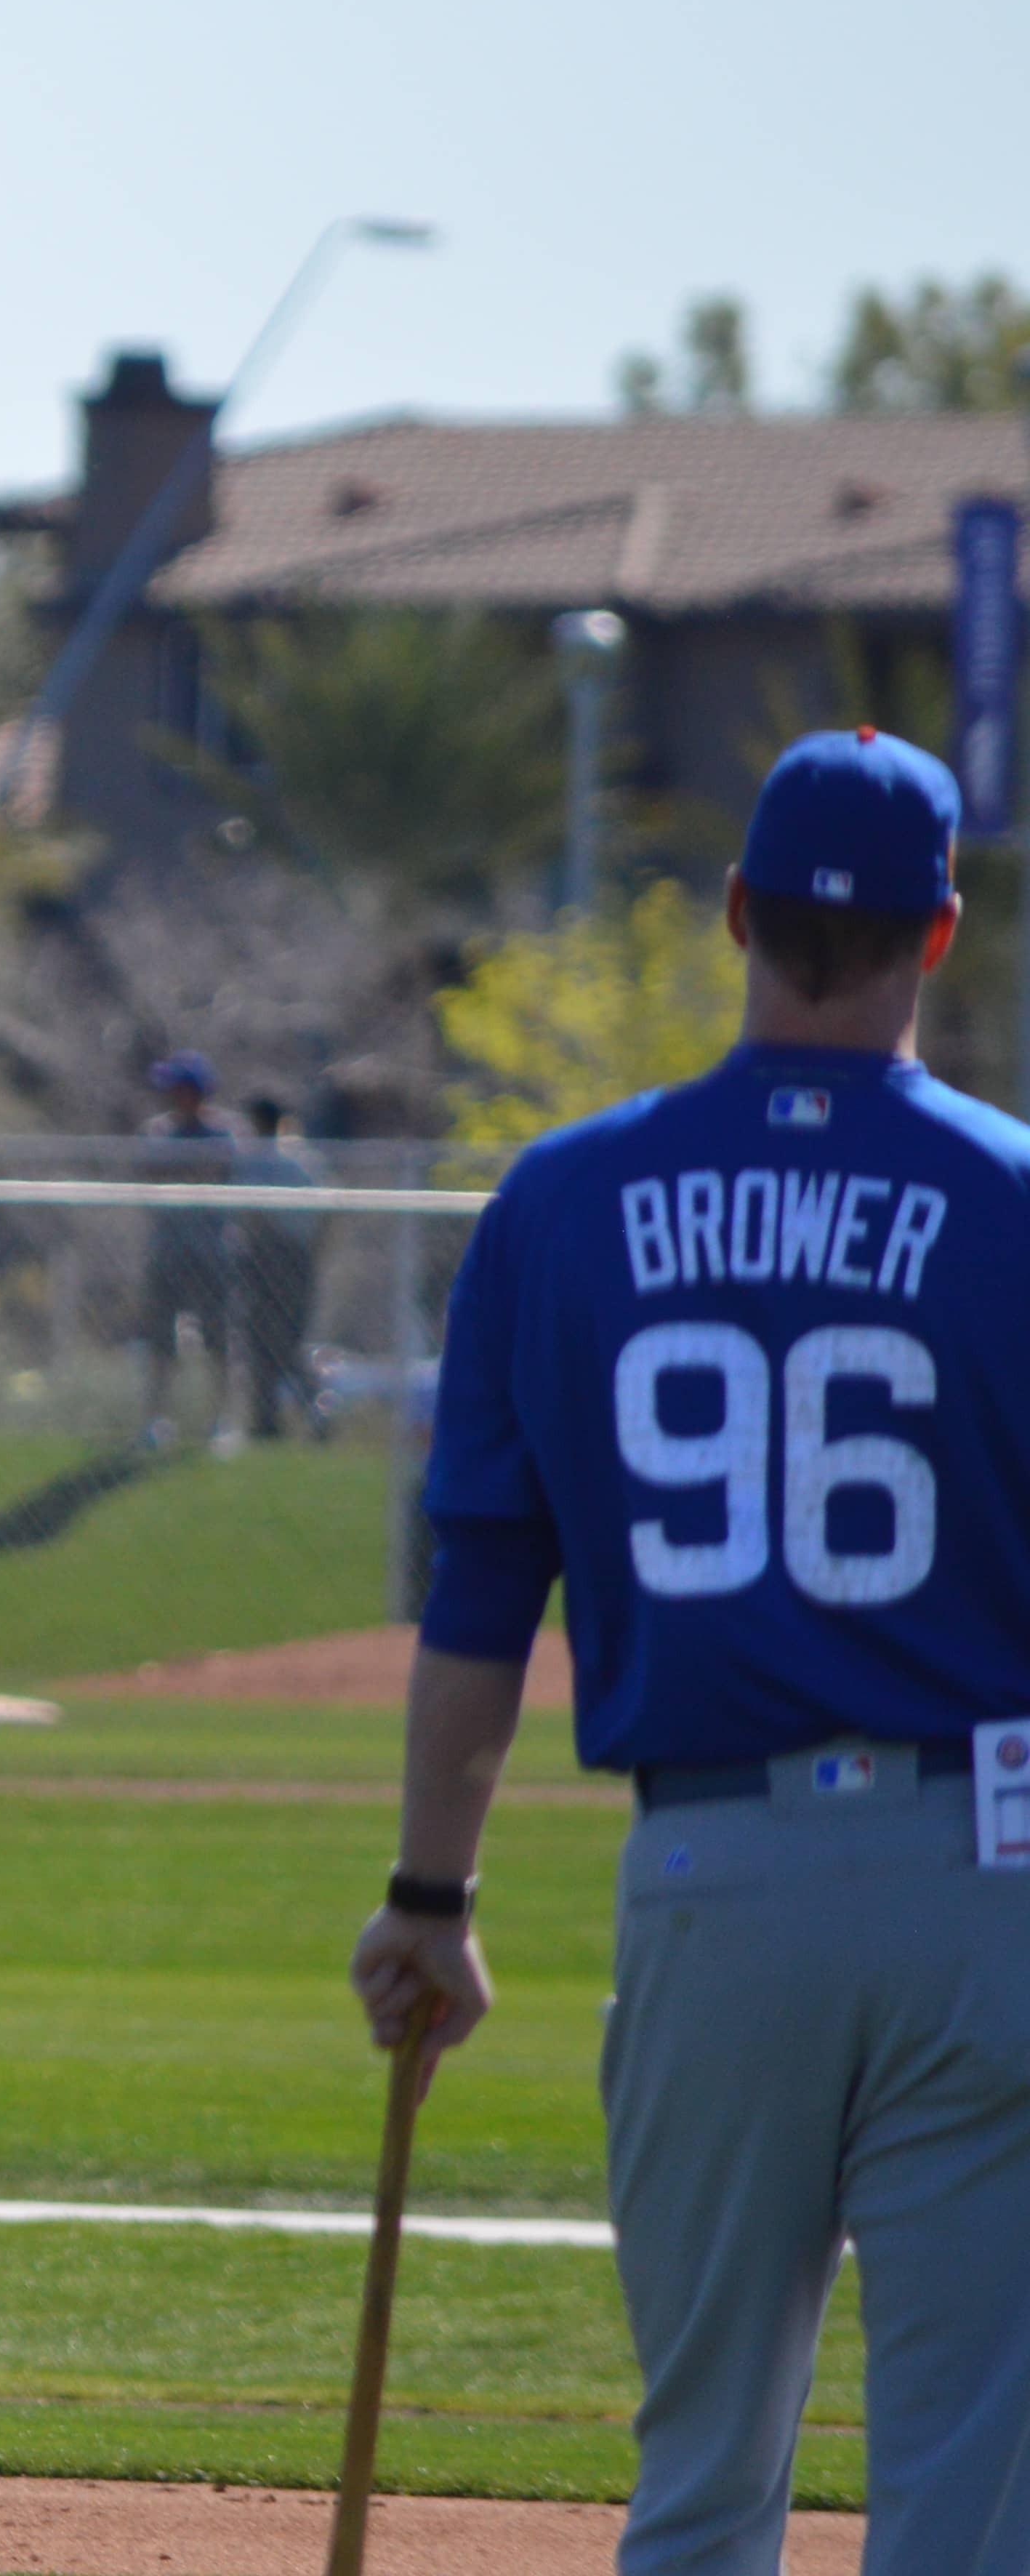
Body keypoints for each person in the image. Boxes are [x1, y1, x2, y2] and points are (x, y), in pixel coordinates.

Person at [350, 729, 1030, 2576]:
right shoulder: (1012, 1196)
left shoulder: (559, 1201)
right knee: (971, 2488)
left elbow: (479, 1600)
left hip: (711, 1871)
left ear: (734, 911)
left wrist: (428, 1894)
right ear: (938, 931)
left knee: (704, 2475)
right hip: (984, 1869)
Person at [134, 1052, 242, 1449]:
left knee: (217, 1338)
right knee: (161, 1340)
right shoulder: (159, 1133)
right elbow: (151, 1174)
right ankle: (157, 1420)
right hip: (168, 1250)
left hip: (210, 1251)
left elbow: (219, 1171)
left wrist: (185, 1170)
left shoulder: (222, 1133)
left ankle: (222, 1420)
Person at [232, 1092, 330, 1443]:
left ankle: (302, 1412)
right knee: (276, 1339)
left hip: (272, 1254)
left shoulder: (263, 1160)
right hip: (295, 1256)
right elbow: (325, 1218)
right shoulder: (304, 1161)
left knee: (275, 1340)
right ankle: (274, 1418)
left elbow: (253, 1212)